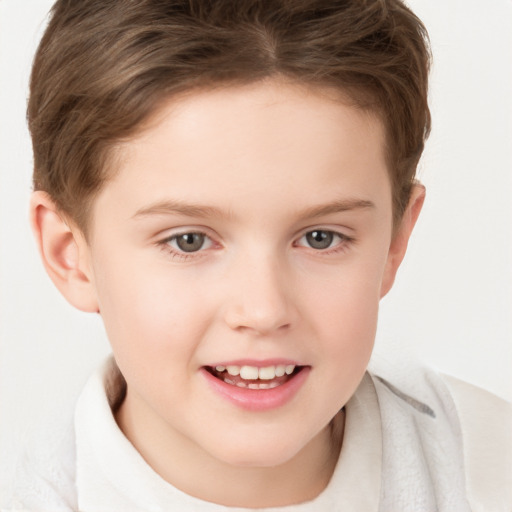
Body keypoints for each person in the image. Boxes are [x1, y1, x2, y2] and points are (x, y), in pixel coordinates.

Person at [4, 0, 511, 510]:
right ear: (69, 253)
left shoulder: (492, 471)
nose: (264, 310)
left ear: (395, 241)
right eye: (189, 241)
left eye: (321, 238)